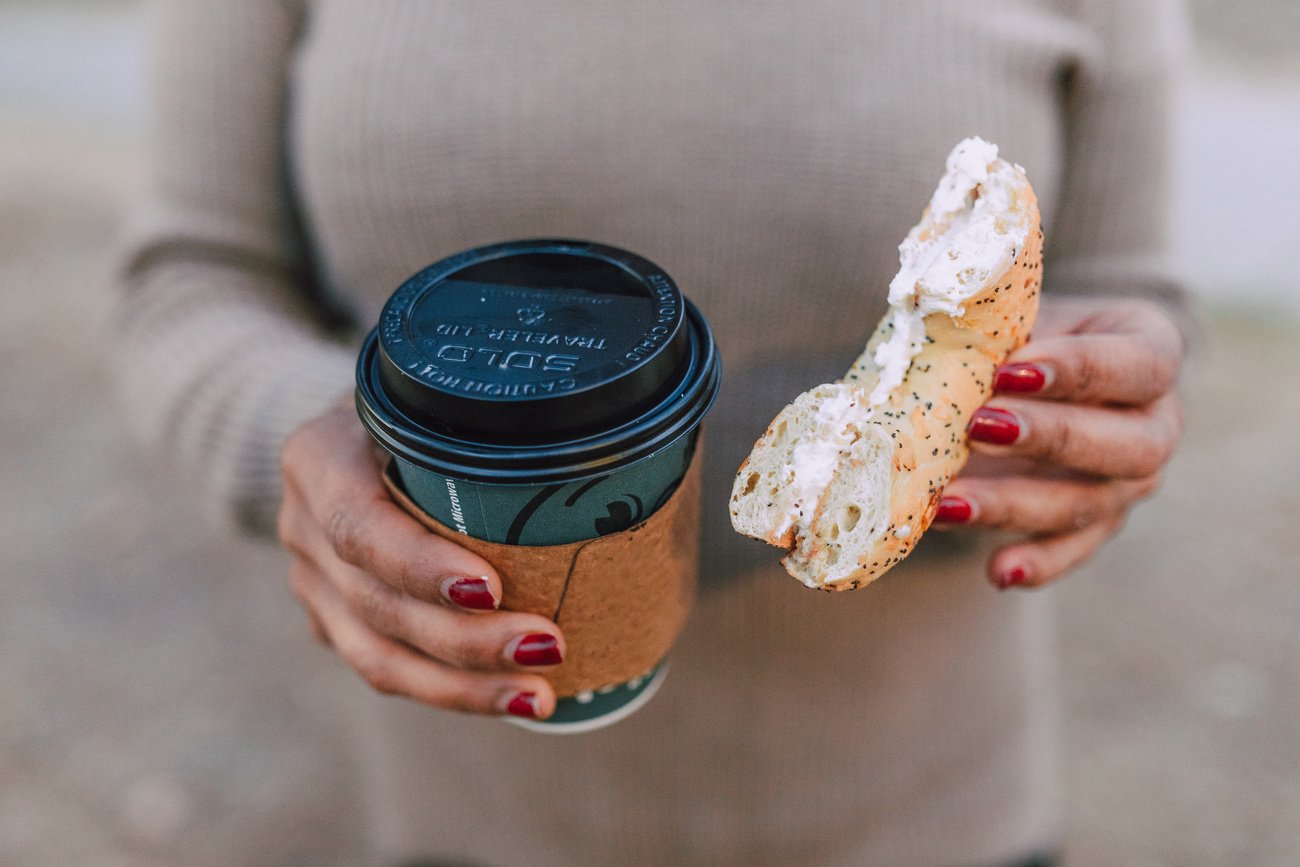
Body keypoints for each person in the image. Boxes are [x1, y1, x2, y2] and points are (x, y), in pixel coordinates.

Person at [115, 1, 1190, 864]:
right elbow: (192, 281)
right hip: (473, 813)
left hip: (936, 814)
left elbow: (1117, 281)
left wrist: (1096, 400)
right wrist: (296, 448)